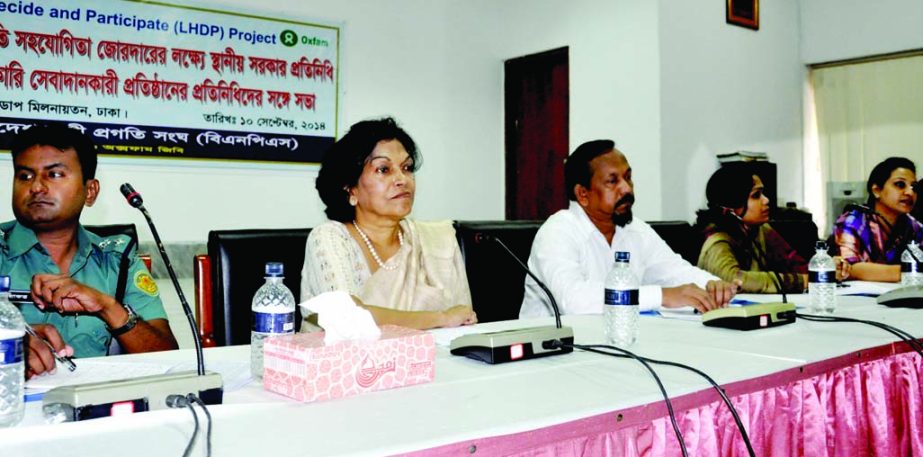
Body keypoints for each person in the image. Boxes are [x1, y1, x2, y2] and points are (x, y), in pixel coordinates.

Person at [2, 124, 177, 378]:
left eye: (55, 174)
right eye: (25, 176)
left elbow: (167, 358)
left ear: (90, 191)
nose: (36, 187)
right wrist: (11, 346)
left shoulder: (117, 261)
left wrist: (107, 307)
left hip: (96, 408)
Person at [519, 140, 739, 318]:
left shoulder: (634, 230)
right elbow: (575, 302)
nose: (626, 188)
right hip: (550, 357)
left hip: (617, 345)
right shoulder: (557, 232)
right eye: (612, 182)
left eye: (628, 177)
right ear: (582, 194)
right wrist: (662, 296)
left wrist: (712, 285)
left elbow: (675, 271)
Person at [301, 117, 476, 329]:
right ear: (350, 188)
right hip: (343, 361)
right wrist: (441, 318)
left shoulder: (437, 240)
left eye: (407, 167)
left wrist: (452, 319)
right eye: (384, 169)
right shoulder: (329, 238)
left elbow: (464, 320)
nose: (402, 179)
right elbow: (346, 317)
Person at [695, 164, 815, 293]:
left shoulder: (760, 229)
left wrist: (821, 271)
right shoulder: (716, 240)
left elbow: (792, 261)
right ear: (733, 206)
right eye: (756, 195)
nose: (766, 200)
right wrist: (799, 282)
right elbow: (734, 280)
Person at [834, 157, 922, 282]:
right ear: (876, 190)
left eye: (914, 187)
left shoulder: (914, 227)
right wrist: (911, 271)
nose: (910, 193)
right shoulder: (853, 221)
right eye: (900, 184)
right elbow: (848, 268)